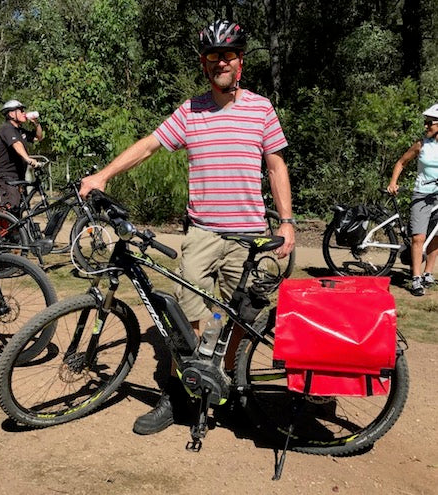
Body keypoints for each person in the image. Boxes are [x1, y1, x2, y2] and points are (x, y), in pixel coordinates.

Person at [80, 19, 295, 434]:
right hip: (202, 235)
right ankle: (182, 394)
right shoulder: (190, 111)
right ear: (205, 64)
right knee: (189, 318)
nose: (220, 63)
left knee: (240, 319)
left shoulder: (261, 108)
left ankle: (229, 387)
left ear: (240, 63)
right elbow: (149, 145)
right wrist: (104, 175)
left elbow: (276, 166)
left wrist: (286, 222)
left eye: (227, 56)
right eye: (213, 57)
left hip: (249, 235)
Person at [387, 104, 438, 296]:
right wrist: (393, 182)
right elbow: (401, 162)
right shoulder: (421, 145)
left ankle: (428, 273)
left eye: (429, 123)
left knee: (436, 236)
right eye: (425, 123)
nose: (426, 126)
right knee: (418, 237)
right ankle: (416, 278)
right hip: (422, 194)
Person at [0, 100, 43, 213]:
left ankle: (17, 230)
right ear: (11, 114)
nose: (24, 113)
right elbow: (17, 144)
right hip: (7, 176)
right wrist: (28, 159)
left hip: (18, 175)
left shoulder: (19, 130)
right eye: (20, 110)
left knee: (20, 209)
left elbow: (38, 137)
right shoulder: (7, 129)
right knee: (12, 209)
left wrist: (36, 123)